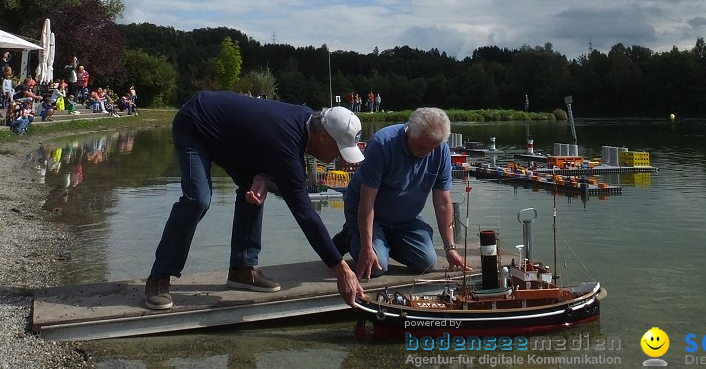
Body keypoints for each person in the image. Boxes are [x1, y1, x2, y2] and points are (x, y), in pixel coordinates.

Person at [144, 90, 367, 312]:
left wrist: (264, 175)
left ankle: (242, 269)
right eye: (338, 149)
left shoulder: (308, 120)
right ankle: (159, 276)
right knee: (198, 199)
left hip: (228, 134)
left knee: (252, 190)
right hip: (195, 122)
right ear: (323, 136)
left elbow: (264, 141)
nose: (339, 156)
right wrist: (342, 270)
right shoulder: (288, 145)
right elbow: (306, 215)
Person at [339, 107, 470, 280]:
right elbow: (367, 199)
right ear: (409, 132)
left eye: (433, 148)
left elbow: (443, 202)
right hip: (370, 211)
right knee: (378, 268)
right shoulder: (382, 143)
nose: (427, 153)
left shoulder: (441, 150)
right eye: (422, 147)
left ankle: (383, 242)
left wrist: (450, 248)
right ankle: (351, 236)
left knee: (427, 263)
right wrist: (366, 248)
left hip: (404, 218)